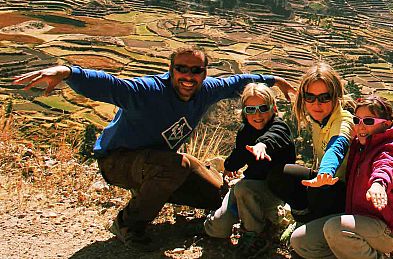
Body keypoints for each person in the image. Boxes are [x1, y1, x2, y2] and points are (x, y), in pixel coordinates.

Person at [12, 46, 294, 252]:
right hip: (117, 160)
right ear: (171, 69)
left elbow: (235, 82)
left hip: (161, 161)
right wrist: (68, 72)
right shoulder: (148, 91)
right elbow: (110, 85)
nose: (188, 76)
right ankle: (128, 223)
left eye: (196, 71)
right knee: (174, 166)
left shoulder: (205, 90)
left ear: (204, 74)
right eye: (181, 69)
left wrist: (272, 80)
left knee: (217, 193)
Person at [291, 94, 393, 259]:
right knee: (301, 241)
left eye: (368, 121)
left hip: (386, 230)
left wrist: (378, 184)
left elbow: (387, 166)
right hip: (357, 221)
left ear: (386, 124)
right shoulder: (358, 146)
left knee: (336, 228)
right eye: (357, 120)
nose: (361, 127)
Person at [203, 82, 296, 257]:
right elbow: (239, 155)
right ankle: (208, 219)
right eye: (251, 109)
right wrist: (229, 166)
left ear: (273, 108)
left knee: (243, 188)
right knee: (217, 228)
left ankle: (254, 235)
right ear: (244, 112)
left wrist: (262, 144)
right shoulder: (244, 131)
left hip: (273, 191)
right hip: (248, 190)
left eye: (262, 108)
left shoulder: (279, 127)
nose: (257, 114)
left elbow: (274, 137)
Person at [267, 61, 354, 227]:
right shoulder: (318, 119)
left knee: (318, 190)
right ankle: (303, 219)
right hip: (325, 181)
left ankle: (317, 226)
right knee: (279, 176)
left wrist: (326, 171)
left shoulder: (343, 120)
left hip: (342, 191)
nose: (316, 104)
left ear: (335, 96)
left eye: (324, 97)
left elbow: (338, 145)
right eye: (310, 97)